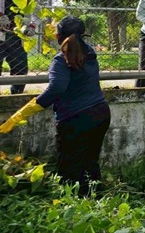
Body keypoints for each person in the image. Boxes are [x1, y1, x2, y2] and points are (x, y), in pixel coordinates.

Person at [0, 16, 110, 196]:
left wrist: (21, 114)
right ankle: (95, 198)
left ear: (59, 37)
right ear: (83, 35)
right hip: (101, 113)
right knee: (90, 161)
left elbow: (56, 89)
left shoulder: (61, 60)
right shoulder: (90, 53)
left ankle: (71, 203)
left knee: (69, 168)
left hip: (76, 119)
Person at [0, 0, 43, 94]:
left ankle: (15, 95)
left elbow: (37, 11)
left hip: (16, 35)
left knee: (20, 69)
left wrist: (31, 26)